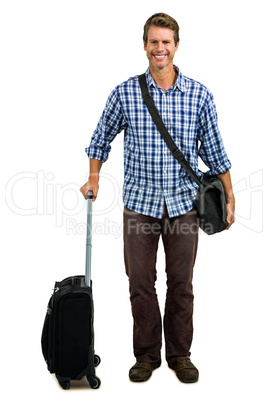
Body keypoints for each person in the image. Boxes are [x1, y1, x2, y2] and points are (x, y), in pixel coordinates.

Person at [80, 12, 235, 384]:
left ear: (176, 46)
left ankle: (180, 354)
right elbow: (101, 138)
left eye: (166, 42)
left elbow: (215, 152)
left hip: (184, 206)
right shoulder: (126, 92)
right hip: (140, 205)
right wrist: (93, 178)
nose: (160, 48)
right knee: (140, 284)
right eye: (154, 41)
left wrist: (230, 197)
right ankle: (147, 356)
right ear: (145, 45)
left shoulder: (199, 94)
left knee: (181, 284)